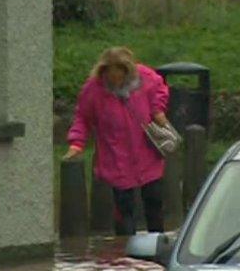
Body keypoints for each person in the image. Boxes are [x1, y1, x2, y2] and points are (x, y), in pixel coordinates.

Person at [64, 47, 171, 236]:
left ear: (127, 71)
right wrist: (77, 142)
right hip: (116, 156)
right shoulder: (93, 90)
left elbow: (160, 89)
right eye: (110, 74)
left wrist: (157, 109)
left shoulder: (146, 77)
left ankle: (157, 246)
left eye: (119, 74)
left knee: (154, 202)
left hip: (147, 152)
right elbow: (82, 117)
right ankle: (125, 251)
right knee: (124, 209)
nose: (115, 79)